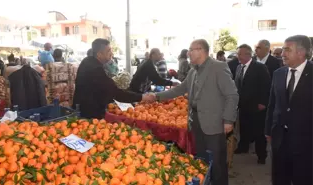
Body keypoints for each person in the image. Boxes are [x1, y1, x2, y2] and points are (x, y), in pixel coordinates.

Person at [148, 39, 239, 185]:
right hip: (195, 120)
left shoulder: (218, 67)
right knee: (201, 160)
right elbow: (179, 89)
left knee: (217, 162)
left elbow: (232, 95)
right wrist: (156, 96)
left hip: (214, 123)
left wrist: (228, 120)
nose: (188, 53)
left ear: (201, 50)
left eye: (191, 50)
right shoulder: (193, 71)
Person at [265, 35, 313, 185]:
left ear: (301, 52)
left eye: (287, 50)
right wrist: (268, 130)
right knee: (279, 178)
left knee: (303, 178)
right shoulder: (278, 74)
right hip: (279, 139)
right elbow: (272, 104)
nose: (282, 54)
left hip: (306, 142)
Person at [72, 38, 152, 119]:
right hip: (87, 114)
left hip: (83, 107)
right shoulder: (95, 69)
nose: (111, 53)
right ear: (99, 54)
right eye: (109, 51)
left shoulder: (87, 61)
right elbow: (115, 93)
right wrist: (142, 97)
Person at [234, 44, 271, 165]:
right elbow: (238, 86)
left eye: (240, 54)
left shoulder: (260, 67)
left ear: (248, 54)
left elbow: (266, 86)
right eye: (237, 53)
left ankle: (261, 155)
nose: (237, 56)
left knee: (259, 132)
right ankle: (243, 147)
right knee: (244, 128)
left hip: (257, 107)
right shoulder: (239, 67)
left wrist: (263, 103)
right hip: (243, 106)